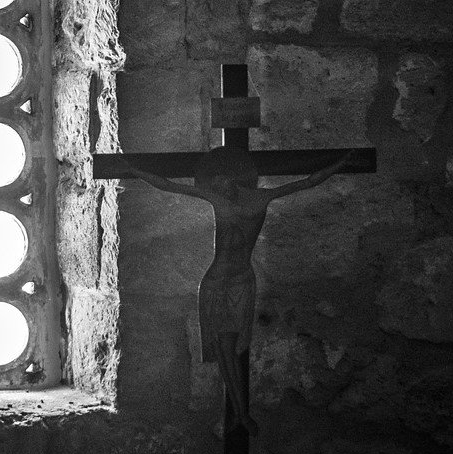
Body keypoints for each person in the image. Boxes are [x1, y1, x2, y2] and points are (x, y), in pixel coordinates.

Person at [119, 147, 357, 436]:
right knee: (224, 350)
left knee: (230, 349)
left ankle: (242, 414)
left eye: (218, 181)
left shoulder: (261, 198)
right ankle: (241, 414)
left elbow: (306, 182)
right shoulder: (217, 200)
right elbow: (169, 185)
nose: (214, 187)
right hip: (216, 283)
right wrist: (133, 171)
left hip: (241, 283)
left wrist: (340, 164)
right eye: (213, 183)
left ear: (232, 177)